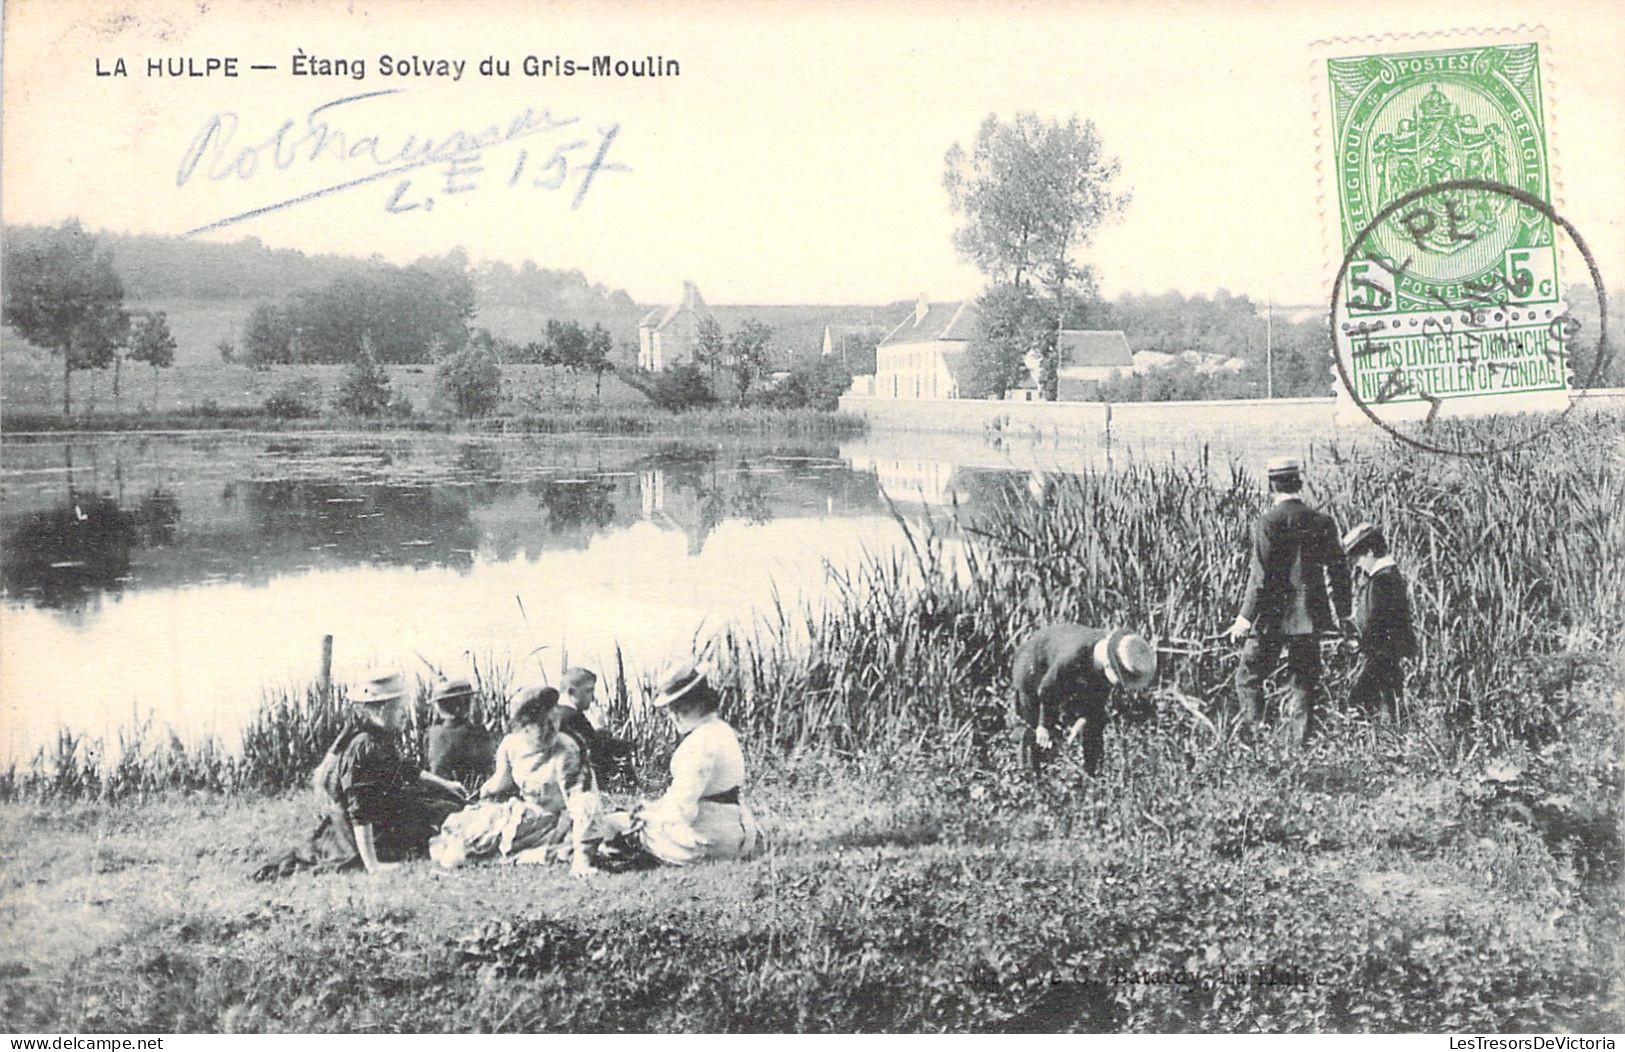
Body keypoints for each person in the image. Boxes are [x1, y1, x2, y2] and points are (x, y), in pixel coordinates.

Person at [251, 671, 466, 880]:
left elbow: (402, 769)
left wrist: (445, 783)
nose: (404, 715)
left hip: (382, 817)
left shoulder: (379, 737)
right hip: (365, 833)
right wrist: (373, 865)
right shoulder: (365, 747)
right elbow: (360, 809)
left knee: (446, 807)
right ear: (383, 709)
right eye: (400, 709)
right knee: (436, 825)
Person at [1227, 457, 1353, 746]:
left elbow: (1260, 579)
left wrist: (1243, 620)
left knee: (1248, 677)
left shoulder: (1268, 522)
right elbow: (1339, 573)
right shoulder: (1322, 521)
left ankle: (1257, 741)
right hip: (1310, 618)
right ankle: (1299, 746)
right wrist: (1344, 615)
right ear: (1299, 482)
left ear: (1271, 484)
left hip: (1272, 618)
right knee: (1303, 683)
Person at [594, 663, 758, 870]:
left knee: (612, 823)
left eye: (678, 708)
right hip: (737, 833)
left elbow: (682, 811)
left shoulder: (698, 744)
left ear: (697, 704)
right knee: (627, 819)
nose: (673, 716)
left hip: (707, 842)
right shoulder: (721, 730)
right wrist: (652, 807)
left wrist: (647, 815)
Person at [429, 685, 600, 876]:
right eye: (541, 724)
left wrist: (582, 860)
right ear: (523, 726)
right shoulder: (512, 745)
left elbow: (583, 803)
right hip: (530, 816)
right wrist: (481, 797)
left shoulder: (566, 751)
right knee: (474, 827)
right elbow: (499, 782)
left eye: (554, 720)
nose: (551, 728)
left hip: (559, 821)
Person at [1011, 624, 1157, 775]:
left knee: (1096, 720)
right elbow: (1047, 690)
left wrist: (1083, 719)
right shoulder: (1072, 657)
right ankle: (1029, 778)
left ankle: (1094, 774)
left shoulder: (1108, 657)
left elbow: (1097, 703)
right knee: (1031, 726)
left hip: (1063, 668)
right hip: (1032, 663)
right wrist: (1043, 725)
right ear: (1109, 666)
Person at [1342, 522, 1418, 723]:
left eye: (1357, 558)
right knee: (1385, 701)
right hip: (1386, 654)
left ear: (1368, 552)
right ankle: (1386, 743)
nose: (1357, 564)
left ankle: (1380, 745)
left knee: (1360, 701)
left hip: (1380, 654)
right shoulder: (1389, 577)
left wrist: (1356, 637)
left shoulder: (1381, 581)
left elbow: (1372, 622)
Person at [560, 665, 638, 786]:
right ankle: (628, 785)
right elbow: (594, 746)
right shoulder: (572, 716)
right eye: (588, 691)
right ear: (572, 692)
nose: (592, 698)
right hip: (576, 776)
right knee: (619, 747)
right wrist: (601, 726)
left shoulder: (555, 712)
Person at [425, 677, 494, 788]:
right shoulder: (477, 733)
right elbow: (487, 767)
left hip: (439, 793)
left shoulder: (431, 733)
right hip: (470, 794)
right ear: (462, 705)